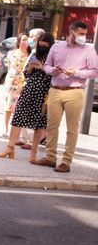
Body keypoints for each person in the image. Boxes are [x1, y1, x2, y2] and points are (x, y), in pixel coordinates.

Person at [34, 21, 98, 173]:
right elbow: (47, 66)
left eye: (85, 34)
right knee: (51, 126)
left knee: (72, 128)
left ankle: (66, 161)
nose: (83, 37)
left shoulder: (89, 51)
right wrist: (53, 70)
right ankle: (50, 157)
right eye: (81, 34)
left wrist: (76, 73)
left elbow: (95, 71)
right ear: (71, 32)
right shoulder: (56, 47)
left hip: (74, 91)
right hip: (55, 89)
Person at [0, 33, 54, 162]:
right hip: (29, 90)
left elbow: (54, 75)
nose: (43, 45)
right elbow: (26, 75)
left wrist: (43, 67)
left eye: (46, 43)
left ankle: (33, 153)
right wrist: (31, 68)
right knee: (18, 118)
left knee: (40, 123)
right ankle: (10, 148)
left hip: (44, 93)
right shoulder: (34, 55)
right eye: (41, 42)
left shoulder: (53, 58)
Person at [0, 33, 30, 136]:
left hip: (24, 83)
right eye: (23, 39)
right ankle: (5, 128)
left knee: (20, 108)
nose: (25, 42)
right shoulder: (11, 53)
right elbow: (9, 68)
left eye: (27, 40)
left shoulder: (30, 55)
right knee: (9, 106)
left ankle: (18, 131)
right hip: (12, 82)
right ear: (19, 41)